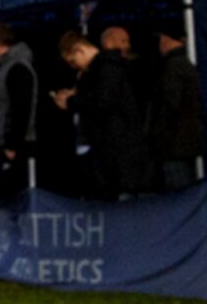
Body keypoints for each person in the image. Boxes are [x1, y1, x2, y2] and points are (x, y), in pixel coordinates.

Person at [56, 29, 150, 199]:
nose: (74, 66)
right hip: (116, 153)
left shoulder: (106, 69)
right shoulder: (105, 70)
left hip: (117, 155)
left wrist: (72, 102)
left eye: (72, 61)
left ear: (80, 50)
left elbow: (102, 104)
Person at [0, 23, 39, 199]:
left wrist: (12, 145)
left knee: (10, 203)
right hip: (2, 146)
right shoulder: (6, 68)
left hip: (9, 149)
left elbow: (21, 108)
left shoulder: (17, 68)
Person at [151, 28, 204, 191]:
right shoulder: (185, 64)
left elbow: (170, 104)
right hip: (185, 143)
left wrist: (159, 134)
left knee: (179, 192)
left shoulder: (173, 67)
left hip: (175, 145)